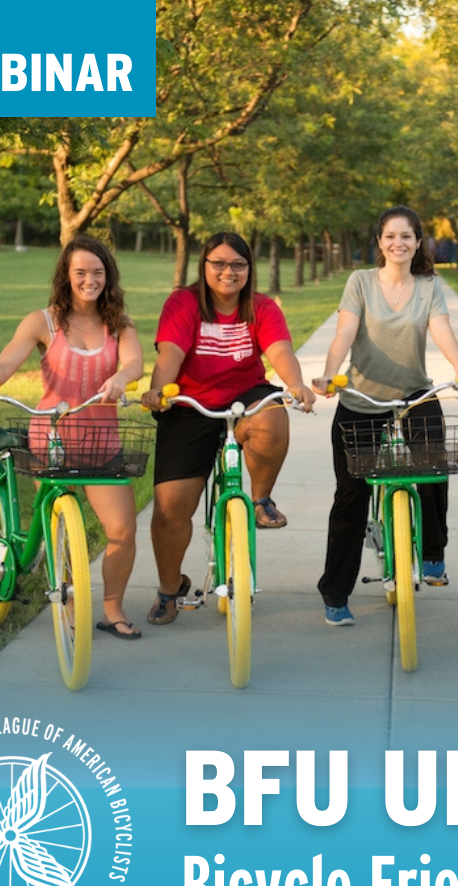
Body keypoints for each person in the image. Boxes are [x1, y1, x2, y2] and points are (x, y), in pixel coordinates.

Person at [0, 236, 146, 638]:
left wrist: (122, 377)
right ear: (66, 275)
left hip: (102, 441)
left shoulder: (120, 324)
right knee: (60, 516)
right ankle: (64, 584)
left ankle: (112, 608)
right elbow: (6, 360)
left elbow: (135, 363)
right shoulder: (42, 322)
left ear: (108, 276)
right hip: (53, 436)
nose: (89, 280)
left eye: (97, 272)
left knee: (123, 531)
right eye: (80, 272)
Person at [312, 205, 458, 627]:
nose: (398, 243)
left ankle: (432, 553)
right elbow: (344, 333)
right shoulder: (360, 282)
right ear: (380, 242)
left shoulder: (428, 286)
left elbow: (441, 329)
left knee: (435, 469)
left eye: (406, 236)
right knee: (351, 497)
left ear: (418, 242)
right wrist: (330, 374)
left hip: (415, 393)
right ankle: (335, 594)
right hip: (361, 396)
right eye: (390, 236)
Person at [142, 231, 315, 626]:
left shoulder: (261, 307)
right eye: (218, 263)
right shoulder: (184, 303)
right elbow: (170, 352)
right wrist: (157, 390)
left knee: (272, 416)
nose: (228, 271)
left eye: (237, 264)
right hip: (190, 400)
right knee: (170, 509)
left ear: (249, 269)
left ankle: (260, 500)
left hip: (245, 395)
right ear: (203, 267)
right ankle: (170, 587)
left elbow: (280, 351)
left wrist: (295, 384)